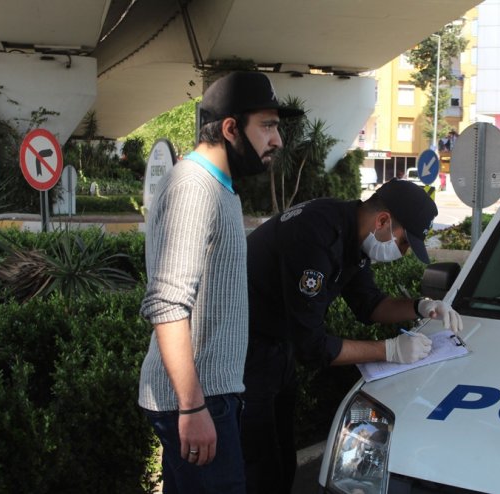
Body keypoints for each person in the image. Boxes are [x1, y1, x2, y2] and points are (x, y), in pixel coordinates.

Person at [241, 178, 463, 493]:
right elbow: (313, 346)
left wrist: (421, 306)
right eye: (403, 242)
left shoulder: (353, 234)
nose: (403, 253)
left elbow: (369, 305)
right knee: (259, 463)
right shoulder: (316, 237)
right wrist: (389, 350)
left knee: (281, 456)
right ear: (383, 221)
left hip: (277, 346)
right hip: (245, 350)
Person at [138, 71, 302, 493]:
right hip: (195, 400)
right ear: (230, 128)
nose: (277, 139)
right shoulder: (194, 187)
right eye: (267, 125)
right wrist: (192, 407)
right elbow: (167, 305)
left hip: (210, 396)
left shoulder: (220, 188)